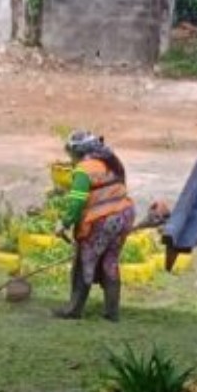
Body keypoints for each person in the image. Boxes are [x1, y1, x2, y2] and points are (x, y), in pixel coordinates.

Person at [55, 130, 135, 322]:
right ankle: (112, 312)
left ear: (77, 152)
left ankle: (73, 309)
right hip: (124, 215)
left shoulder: (83, 170)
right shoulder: (110, 161)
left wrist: (64, 223)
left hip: (101, 220)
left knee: (85, 262)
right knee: (110, 261)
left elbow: (77, 203)